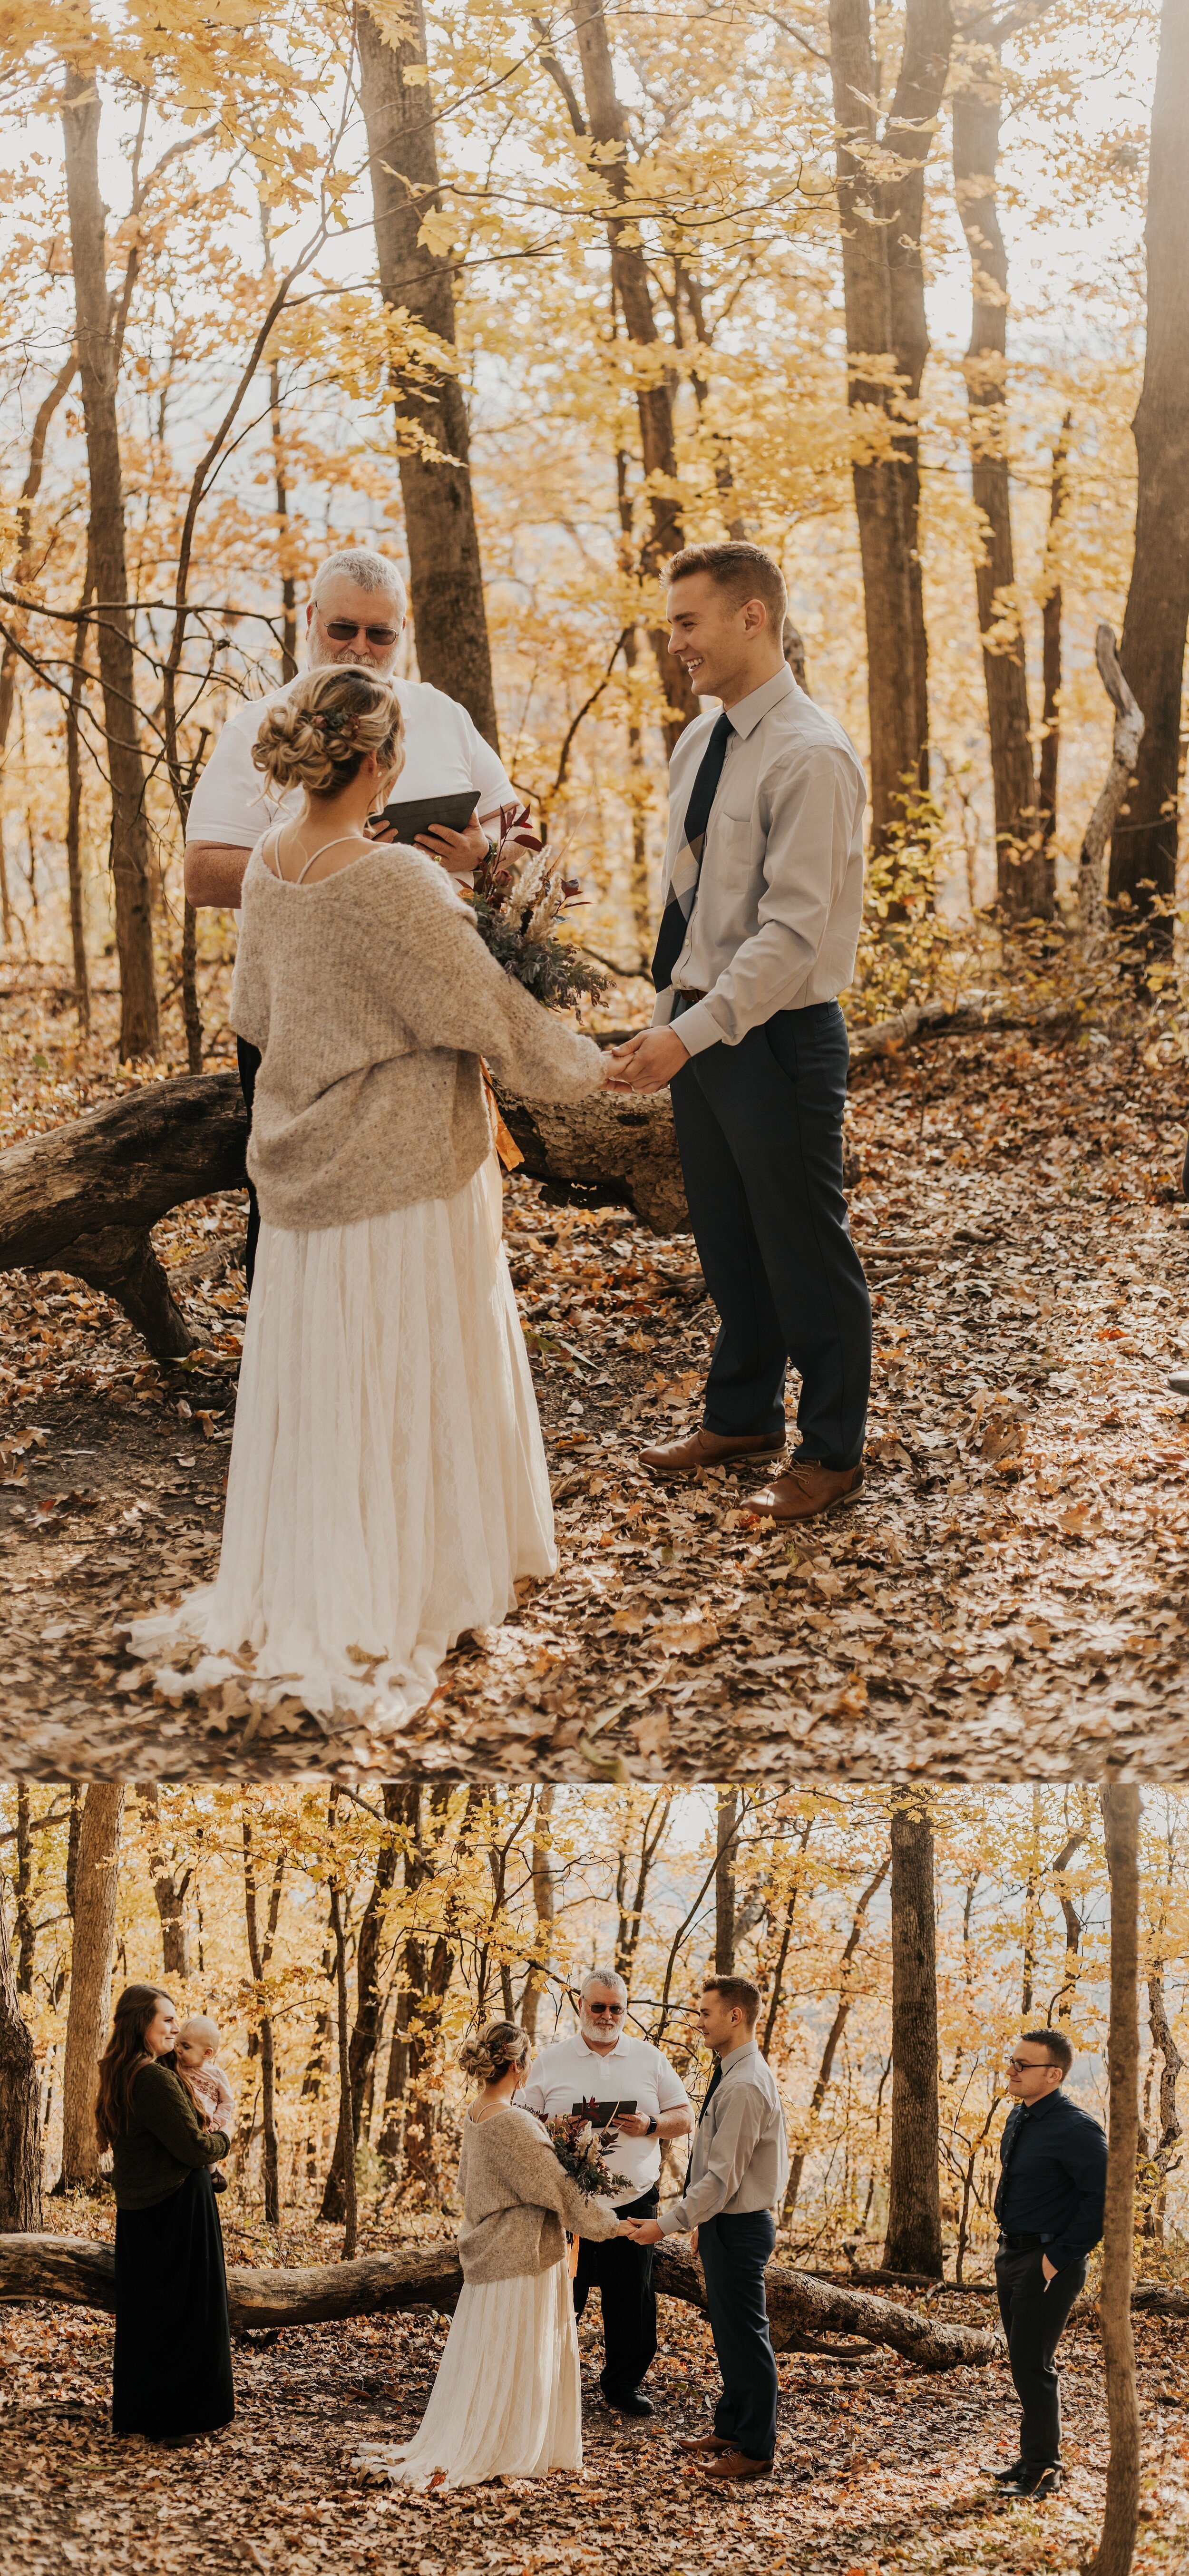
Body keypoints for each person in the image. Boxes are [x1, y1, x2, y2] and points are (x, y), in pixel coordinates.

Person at [130, 664, 609, 1732]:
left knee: (331, 1383)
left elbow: (255, 1007)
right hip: (399, 1172)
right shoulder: (391, 882)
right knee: (407, 1367)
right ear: (381, 763)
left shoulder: (267, 860)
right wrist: (598, 1067)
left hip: (302, 1167)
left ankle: (331, 1569)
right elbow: (492, 1015)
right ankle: (415, 1582)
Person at [605, 540, 871, 1524]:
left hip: (779, 1038)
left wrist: (697, 1029)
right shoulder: (696, 742)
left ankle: (832, 1447)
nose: (673, 642)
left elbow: (790, 936)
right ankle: (743, 1413)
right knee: (728, 1241)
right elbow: (696, 911)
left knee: (801, 1245)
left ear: (750, 617)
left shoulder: (810, 754)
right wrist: (666, 1021)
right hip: (699, 1033)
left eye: (687, 622)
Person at [185, 545, 517, 1288]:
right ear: (309, 622)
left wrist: (476, 852)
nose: (360, 649)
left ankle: (405, 1364)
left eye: (380, 634)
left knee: (423, 1212)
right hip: (304, 1013)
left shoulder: (441, 715)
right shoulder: (258, 727)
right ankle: (300, 1373)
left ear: (402, 637)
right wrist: (332, 862)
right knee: (299, 1212)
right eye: (343, 629)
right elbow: (203, 872)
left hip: (429, 1015)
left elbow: (524, 839)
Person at [379, 2020, 622, 2486]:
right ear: (518, 2066)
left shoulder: (478, 2111)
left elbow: (474, 2183)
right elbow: (560, 2190)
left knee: (494, 2352)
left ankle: (508, 2438)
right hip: (520, 2254)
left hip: (494, 2246)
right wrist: (611, 2225)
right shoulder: (512, 2122)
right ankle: (508, 2445)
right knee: (519, 2352)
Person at [624, 1974, 789, 2483]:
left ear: (734, 2016)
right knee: (730, 2336)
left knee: (747, 2338)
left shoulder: (743, 2084)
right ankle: (731, 2427)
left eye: (706, 2013)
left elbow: (723, 2177)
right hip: (724, 2223)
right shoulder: (731, 2071)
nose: (699, 2022)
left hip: (740, 2228)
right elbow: (718, 2177)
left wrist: (666, 2225)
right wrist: (705, 2219)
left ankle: (756, 2450)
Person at [518, 1968, 694, 2419]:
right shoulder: (552, 2060)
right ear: (581, 2006)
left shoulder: (649, 2059)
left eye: (616, 2008)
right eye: (598, 2006)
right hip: (566, 2201)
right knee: (563, 2293)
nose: (607, 2015)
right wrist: (555, 2131)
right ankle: (551, 2385)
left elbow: (685, 2116)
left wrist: (651, 2125)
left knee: (630, 2296)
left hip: (632, 2202)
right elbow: (521, 2117)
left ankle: (623, 2386)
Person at [95, 1983, 234, 2445]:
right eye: (168, 2019)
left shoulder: (124, 2071)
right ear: (143, 2024)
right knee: (186, 2312)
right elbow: (195, 2146)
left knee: (152, 2315)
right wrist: (227, 2138)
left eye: (177, 2021)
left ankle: (153, 2413)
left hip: (146, 2211)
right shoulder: (151, 2077)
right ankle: (178, 2418)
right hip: (175, 2210)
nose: (176, 2027)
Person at [990, 2027, 1107, 2501]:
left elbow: (1100, 2204)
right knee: (1025, 2364)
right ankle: (1029, 2458)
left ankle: (1044, 2469)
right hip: (1011, 2254)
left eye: (1023, 2064)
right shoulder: (1021, 2116)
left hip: (1048, 2261)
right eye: (1011, 2060)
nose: (1011, 2070)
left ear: (1053, 2075)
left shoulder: (1076, 2129)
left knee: (1032, 2365)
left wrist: (1053, 2261)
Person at [175, 2015, 236, 2131]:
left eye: (186, 2047)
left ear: (207, 2053)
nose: (178, 2050)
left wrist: (217, 2122)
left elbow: (227, 2102)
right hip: (183, 2125)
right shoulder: (175, 2068)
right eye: (177, 2044)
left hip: (206, 2129)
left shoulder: (217, 2075)